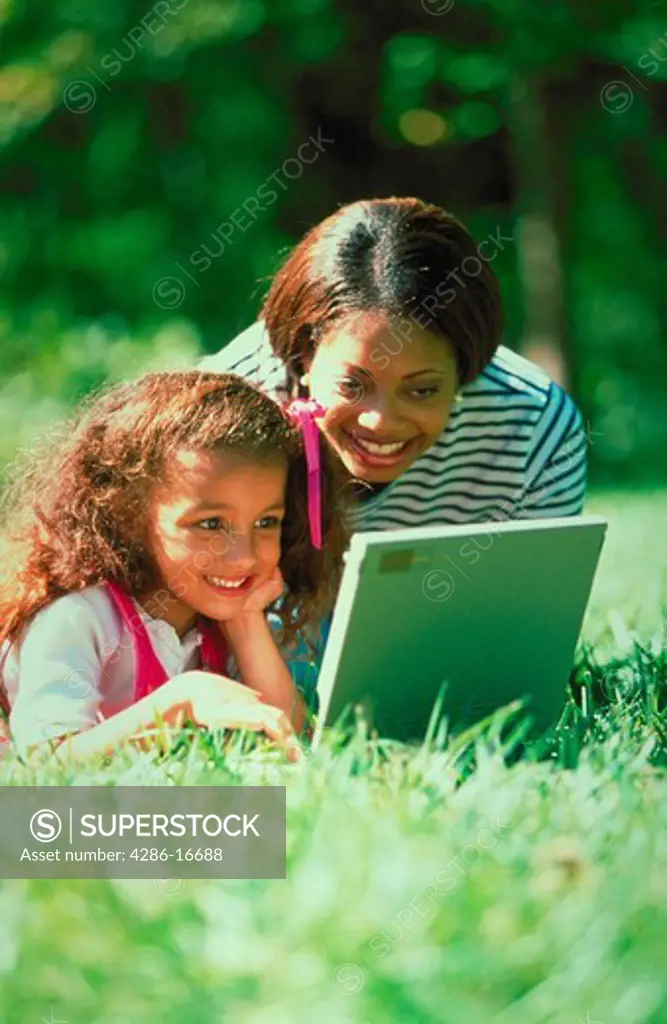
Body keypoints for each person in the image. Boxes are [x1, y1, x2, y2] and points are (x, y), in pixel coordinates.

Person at [199, 196, 588, 669]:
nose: (380, 421)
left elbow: (533, 633)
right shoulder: (222, 417)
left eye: (422, 391)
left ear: (466, 369)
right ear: (304, 354)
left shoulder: (535, 428)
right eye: (352, 385)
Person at [0, 371, 348, 760]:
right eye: (211, 524)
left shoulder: (213, 618)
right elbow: (45, 767)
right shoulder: (77, 619)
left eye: (266, 523)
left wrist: (245, 622)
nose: (245, 556)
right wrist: (180, 702)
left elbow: (293, 741)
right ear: (129, 515)